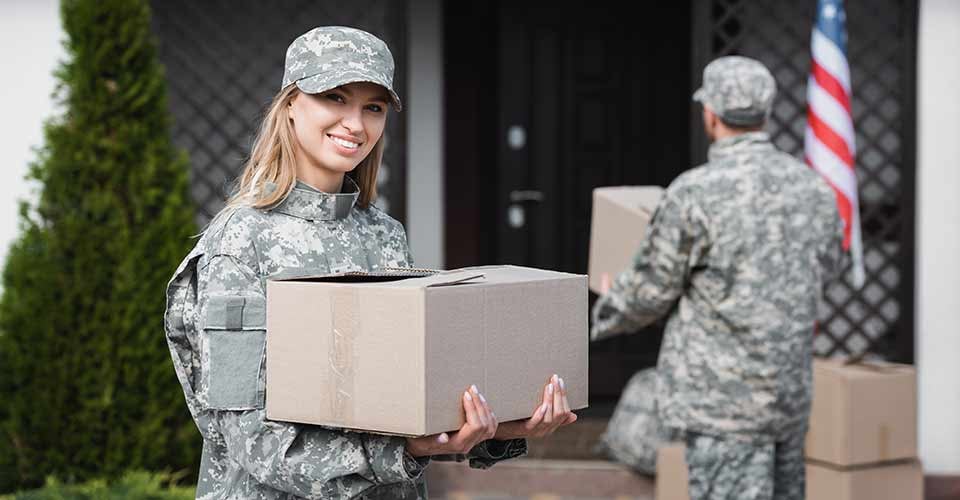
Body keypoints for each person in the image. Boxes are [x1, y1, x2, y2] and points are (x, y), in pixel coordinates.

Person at [164, 26, 577, 499]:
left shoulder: (383, 235)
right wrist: (403, 451)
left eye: (373, 107)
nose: (355, 124)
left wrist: (498, 429)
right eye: (335, 98)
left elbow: (407, 401)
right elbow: (249, 438)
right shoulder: (239, 243)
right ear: (291, 104)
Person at [591, 55, 845, 500]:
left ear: (710, 114)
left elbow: (650, 290)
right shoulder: (815, 190)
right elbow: (830, 269)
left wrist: (605, 311)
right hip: (788, 395)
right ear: (765, 114)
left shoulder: (695, 193)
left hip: (721, 406)